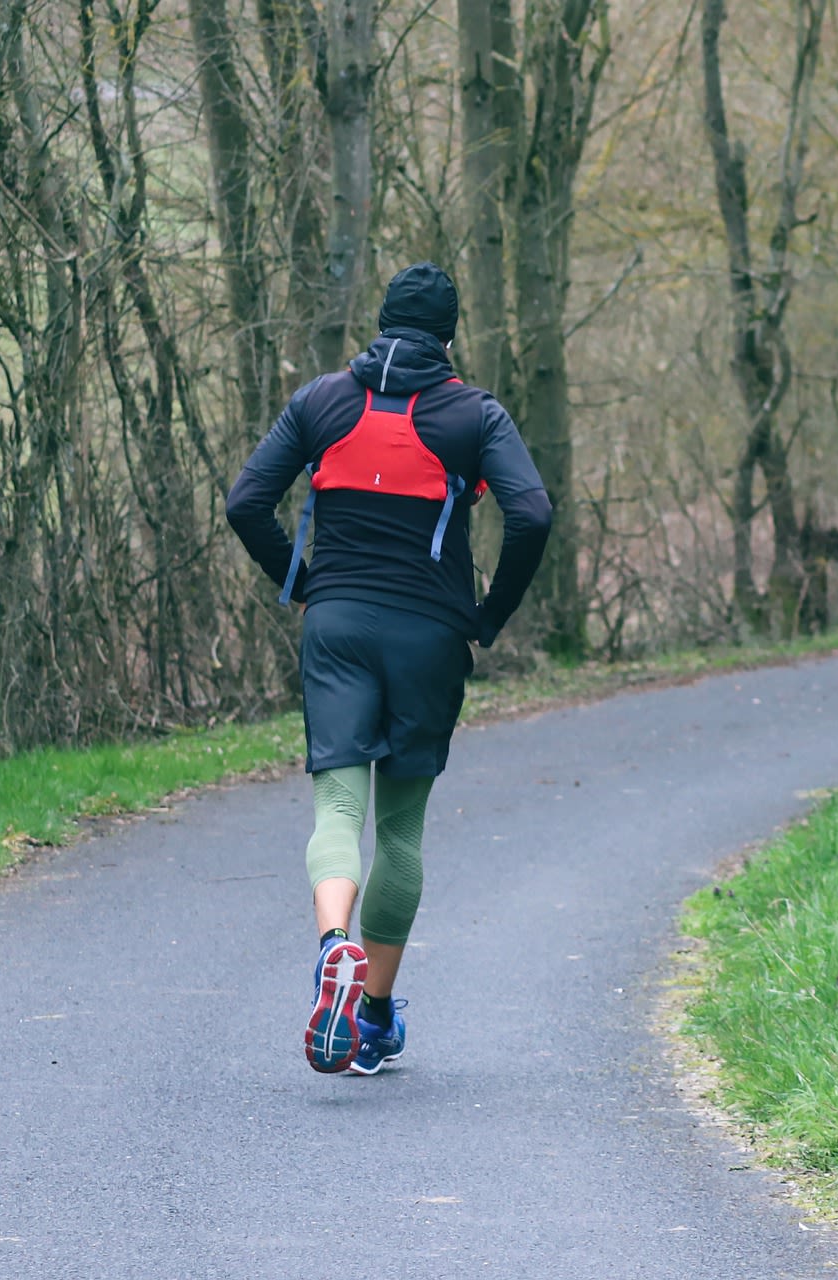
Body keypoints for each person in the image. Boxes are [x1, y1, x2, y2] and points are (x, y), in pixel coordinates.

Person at [224, 263, 552, 1075]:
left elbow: (244, 502)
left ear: (379, 326)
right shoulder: (474, 413)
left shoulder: (323, 400)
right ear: (449, 338)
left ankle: (332, 942)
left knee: (337, 803)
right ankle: (371, 1016)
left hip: (334, 623)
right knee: (400, 829)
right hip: (430, 635)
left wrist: (300, 583)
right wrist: (490, 615)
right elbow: (532, 511)